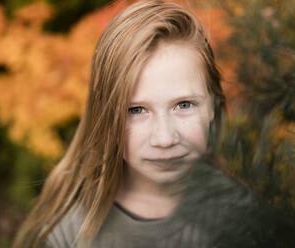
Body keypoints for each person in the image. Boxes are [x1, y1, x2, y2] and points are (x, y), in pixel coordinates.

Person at [13, 0, 227, 247]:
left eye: (184, 105)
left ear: (213, 104)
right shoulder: (68, 230)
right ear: (105, 114)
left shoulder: (248, 222)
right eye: (136, 110)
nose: (165, 138)